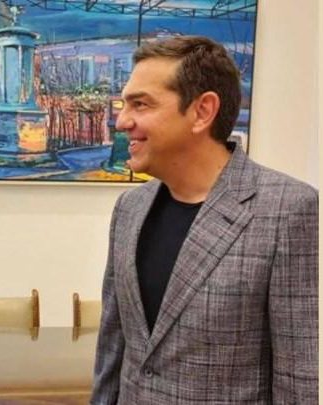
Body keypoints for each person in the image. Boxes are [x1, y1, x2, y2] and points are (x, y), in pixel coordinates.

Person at [91, 35, 317, 404]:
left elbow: (299, 371)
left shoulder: (287, 210)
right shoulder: (130, 209)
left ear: (202, 111)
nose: (122, 121)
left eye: (140, 104)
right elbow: (112, 346)